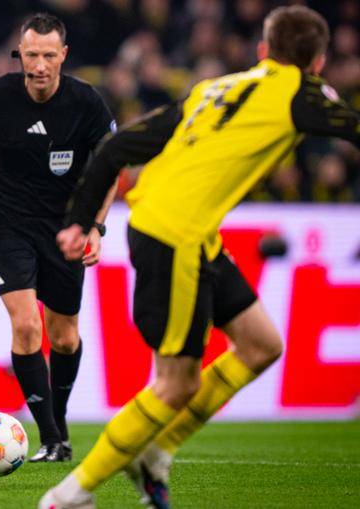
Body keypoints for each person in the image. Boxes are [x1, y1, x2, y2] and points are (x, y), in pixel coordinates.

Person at [41, 6, 360, 508]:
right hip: (176, 236)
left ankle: (155, 453)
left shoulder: (213, 88)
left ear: (263, 50)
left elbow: (118, 146)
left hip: (181, 229)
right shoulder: (302, 93)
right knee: (176, 384)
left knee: (261, 344)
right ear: (318, 62)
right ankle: (68, 495)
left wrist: (80, 219)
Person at [0, 12, 117, 462]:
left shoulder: (86, 102)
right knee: (27, 325)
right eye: (31, 55)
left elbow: (110, 164)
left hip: (66, 229)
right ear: (20, 54)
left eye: (48, 55)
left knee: (63, 337)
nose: (39, 65)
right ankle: (49, 437)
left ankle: (57, 423)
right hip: (8, 224)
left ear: (63, 55)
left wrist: (96, 226)